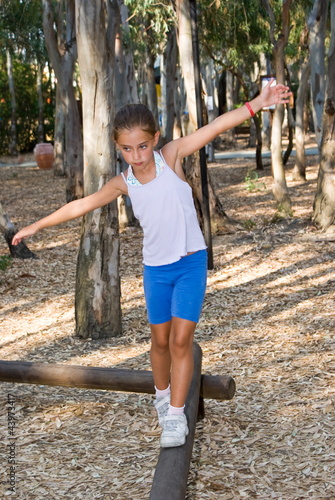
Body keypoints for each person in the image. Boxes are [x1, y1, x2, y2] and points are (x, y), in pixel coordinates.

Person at [12, 79, 292, 448]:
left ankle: (176, 417)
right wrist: (38, 224)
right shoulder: (123, 182)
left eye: (143, 146)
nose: (137, 155)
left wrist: (260, 102)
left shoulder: (171, 156)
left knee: (180, 340)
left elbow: (216, 126)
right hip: (155, 271)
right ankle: (163, 396)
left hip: (191, 264)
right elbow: (81, 205)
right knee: (159, 341)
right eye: (127, 149)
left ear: (156, 138)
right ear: (118, 148)